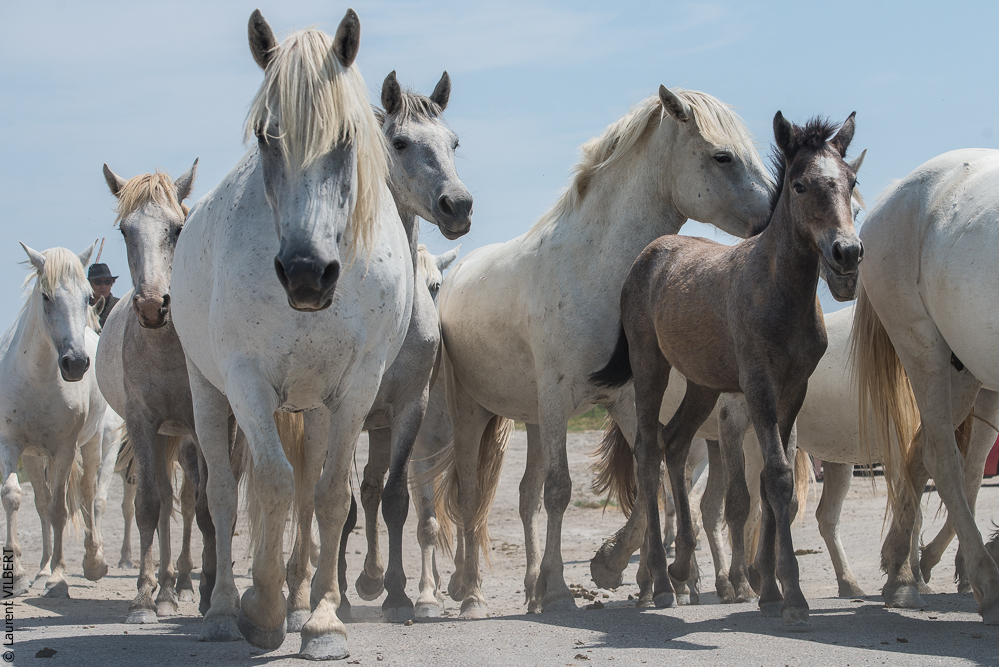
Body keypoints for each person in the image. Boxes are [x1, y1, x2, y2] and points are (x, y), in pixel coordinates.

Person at [88, 263, 120, 330]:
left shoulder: (120, 306)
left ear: (111, 284)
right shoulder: (83, 307)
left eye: (107, 282)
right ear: (89, 284)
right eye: (98, 282)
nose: (103, 286)